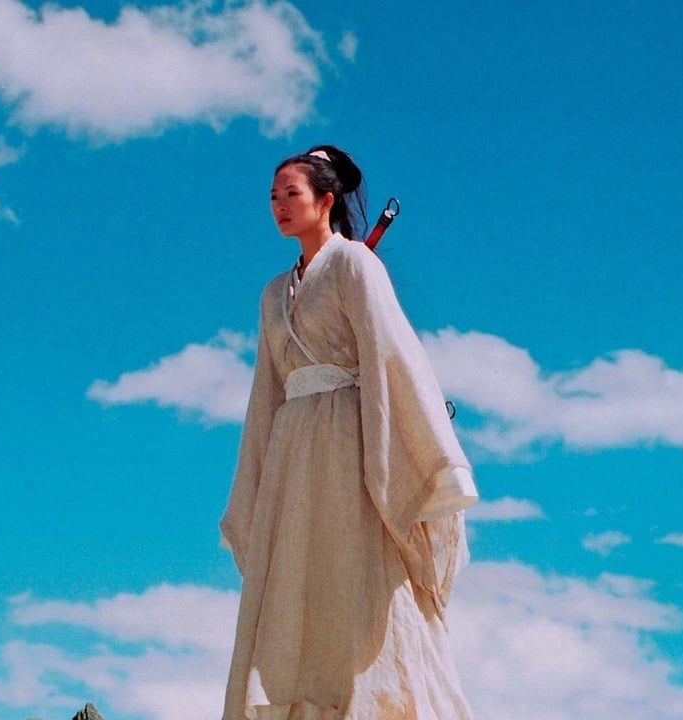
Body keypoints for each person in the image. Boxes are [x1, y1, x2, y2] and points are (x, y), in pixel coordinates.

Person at [219, 146, 478, 719]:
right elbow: (265, 393)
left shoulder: (356, 264)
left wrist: (429, 454)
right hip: (291, 450)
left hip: (348, 442)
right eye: (273, 197)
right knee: (294, 580)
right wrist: (254, 488)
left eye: (292, 194)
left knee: (355, 571)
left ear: (326, 200)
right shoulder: (272, 294)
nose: (280, 205)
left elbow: (392, 352)